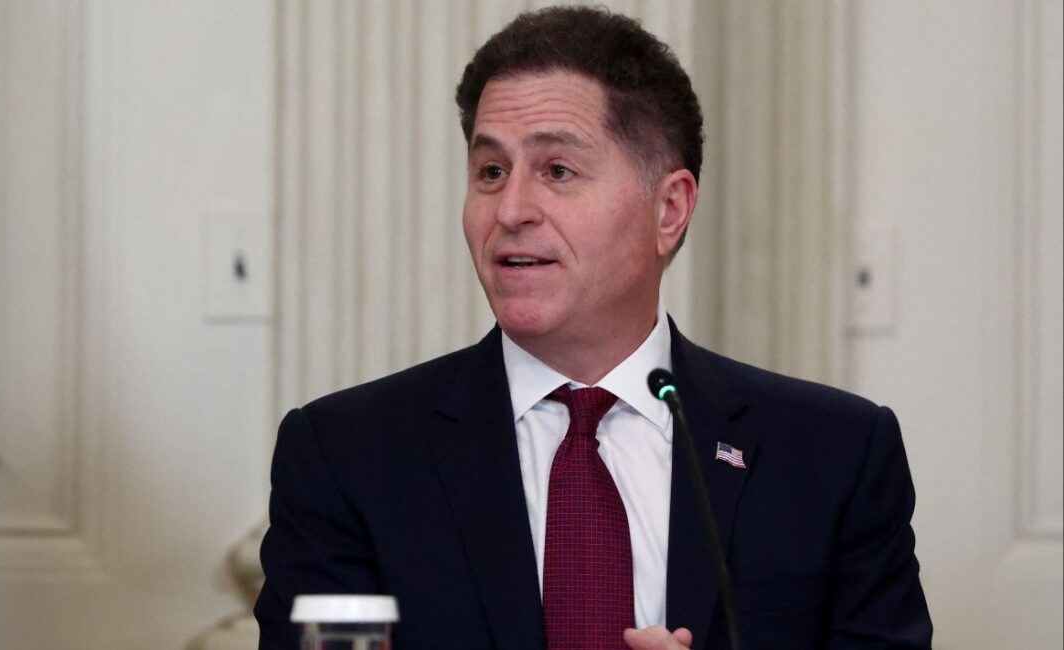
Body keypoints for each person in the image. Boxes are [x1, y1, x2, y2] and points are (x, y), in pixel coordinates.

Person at [255, 7, 932, 650]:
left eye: (557, 170)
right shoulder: (347, 459)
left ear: (670, 209)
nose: (511, 208)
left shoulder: (833, 456)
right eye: (490, 171)